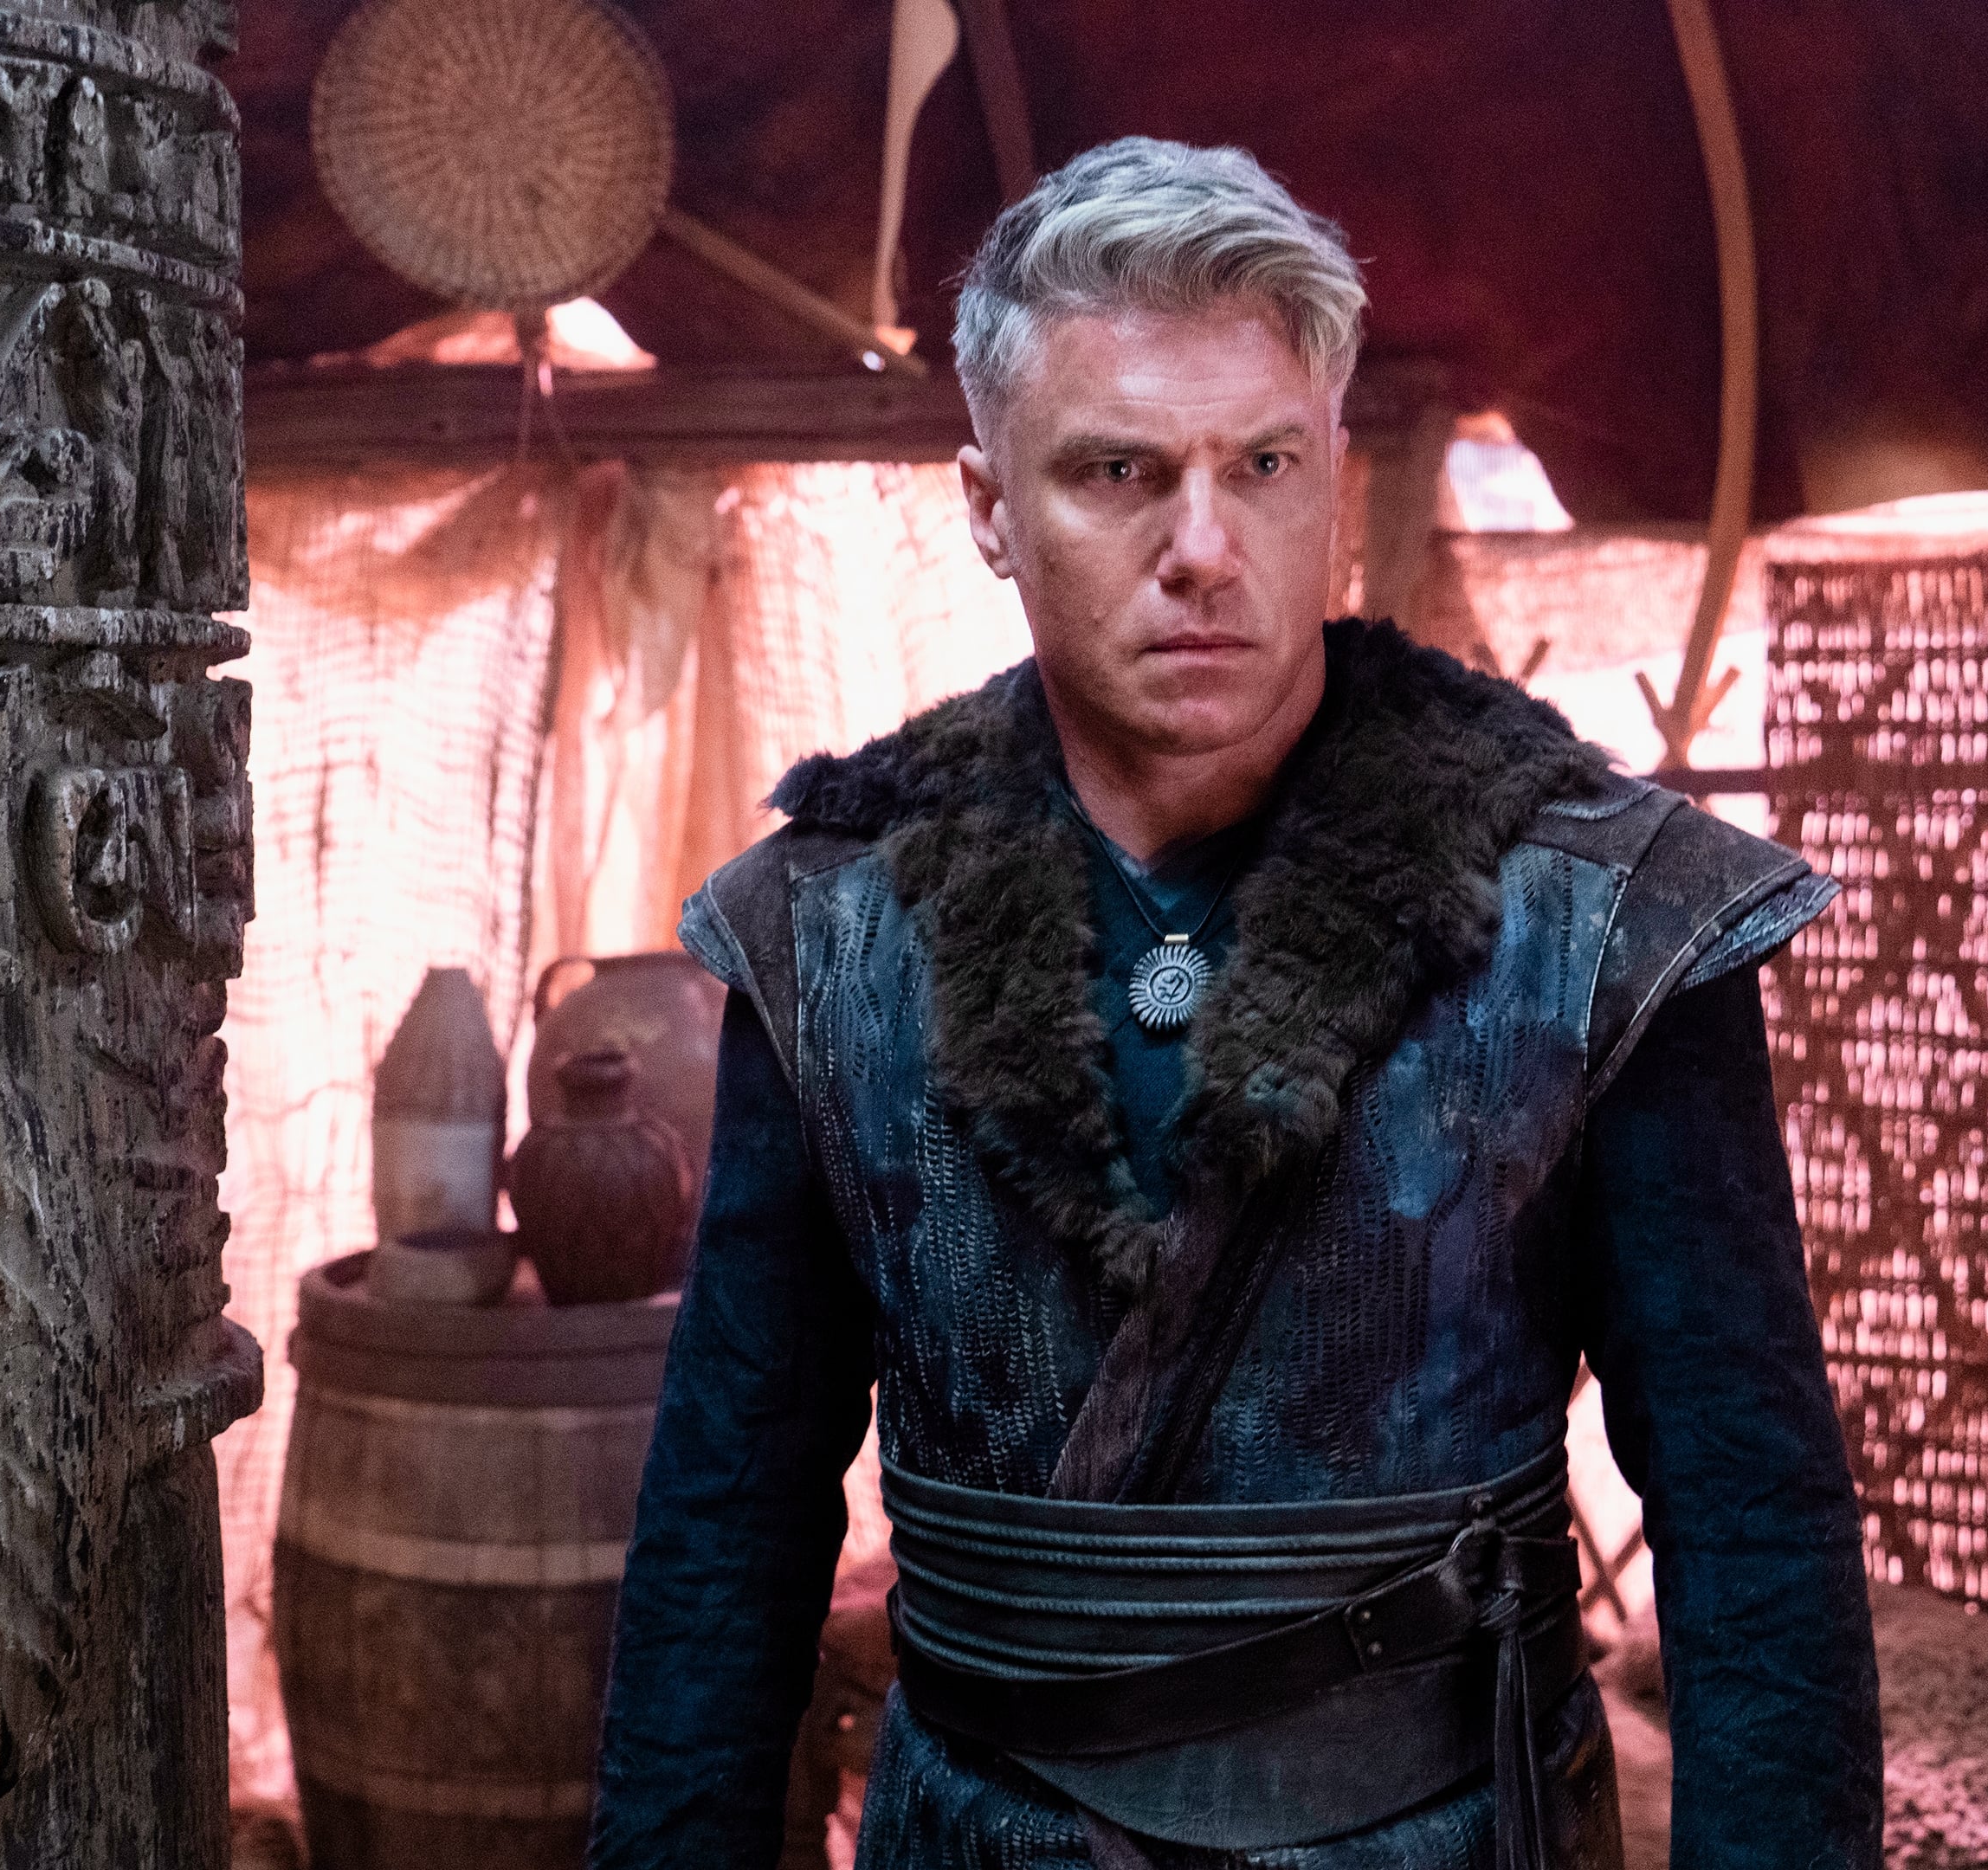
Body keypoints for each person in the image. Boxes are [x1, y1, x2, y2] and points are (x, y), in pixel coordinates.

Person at [588, 137, 1881, 1870]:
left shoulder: (1599, 924)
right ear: (989, 508)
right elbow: (726, 1524)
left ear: (1331, 471)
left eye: (1261, 465)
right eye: (1118, 472)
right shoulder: (828, 931)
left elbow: (1751, 1523)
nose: (1204, 547)